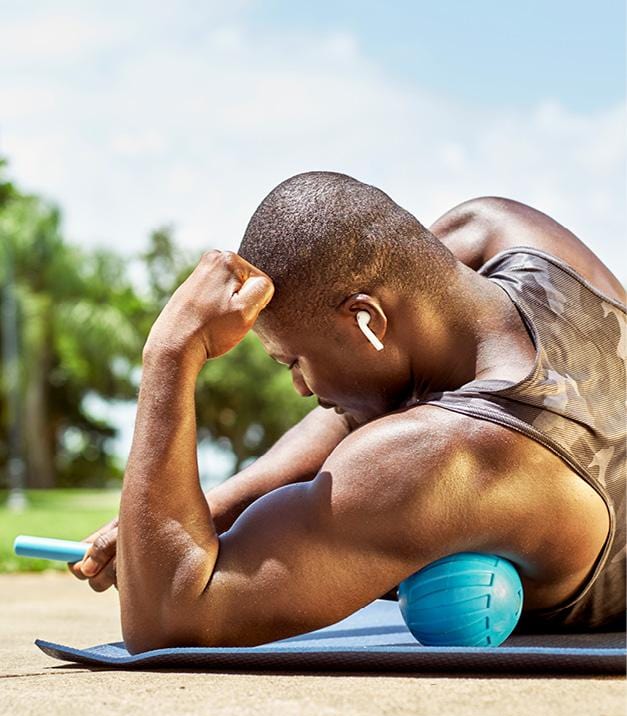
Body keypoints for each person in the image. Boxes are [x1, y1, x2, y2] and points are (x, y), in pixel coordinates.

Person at [69, 172, 626, 653]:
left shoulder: (443, 457)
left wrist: (170, 352)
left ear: (367, 322)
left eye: (295, 360)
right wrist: (217, 508)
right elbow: (371, 378)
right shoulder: (498, 229)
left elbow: (167, 615)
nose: (300, 388)